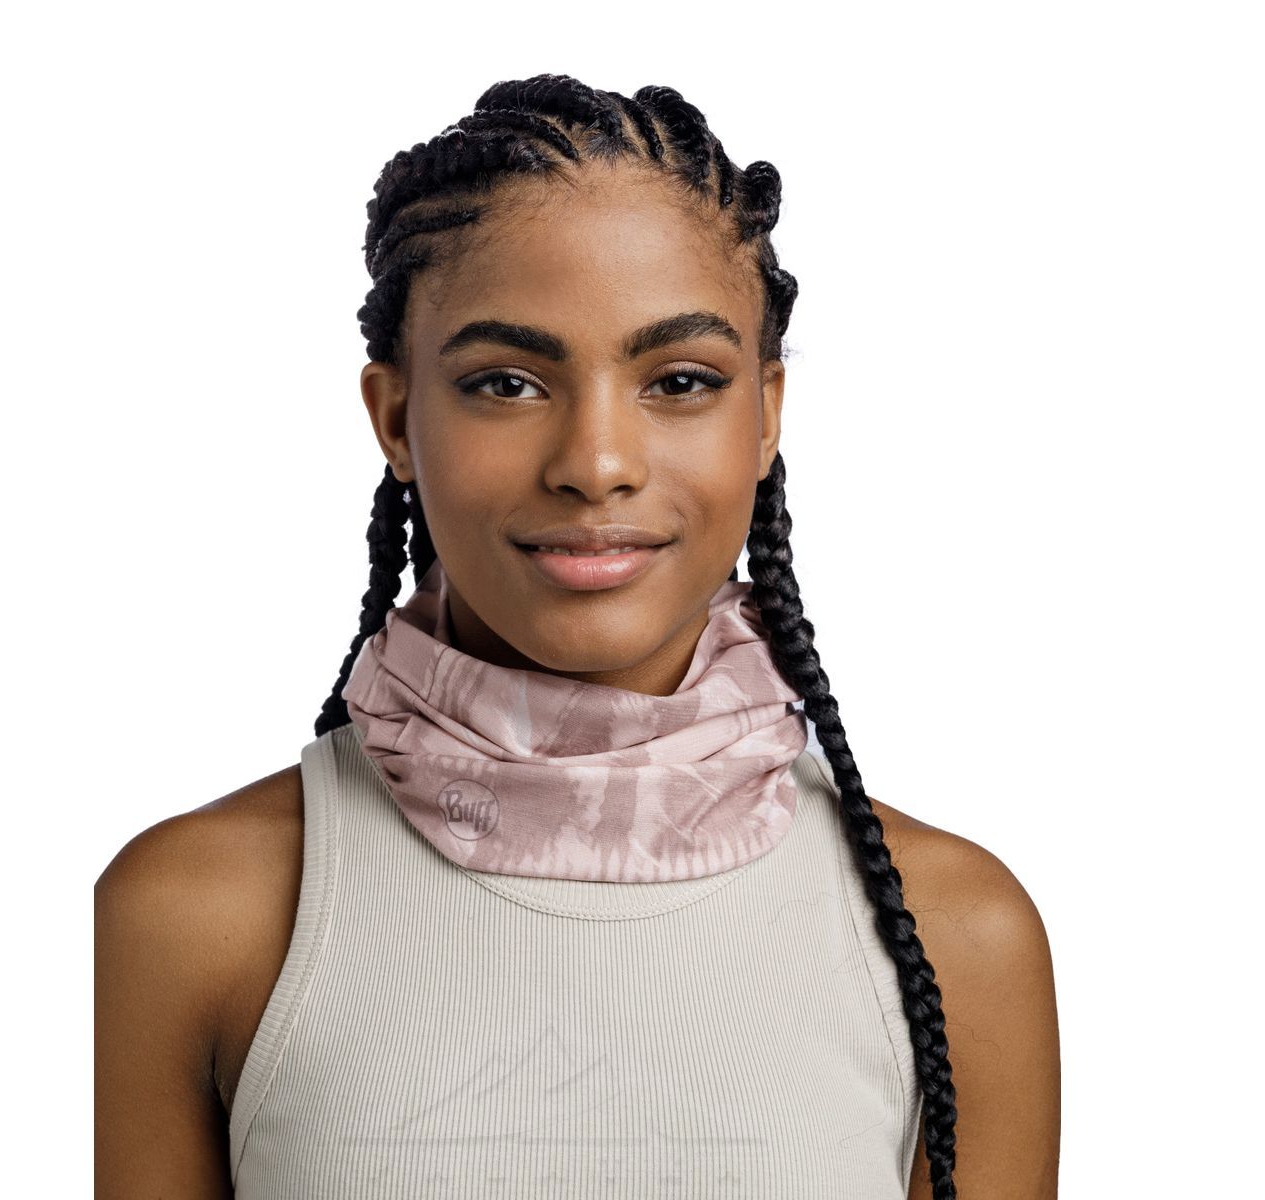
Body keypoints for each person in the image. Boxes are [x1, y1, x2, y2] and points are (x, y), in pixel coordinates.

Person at [97, 74, 1060, 1199]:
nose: (596, 463)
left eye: (681, 381)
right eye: (507, 383)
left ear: (767, 414)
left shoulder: (956, 935)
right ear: (396, 418)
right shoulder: (193, 916)